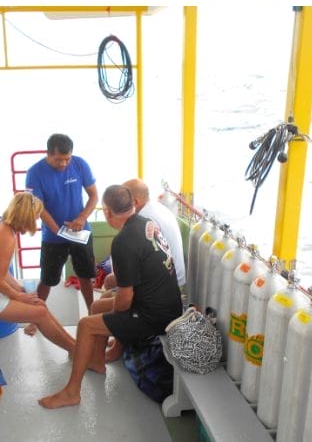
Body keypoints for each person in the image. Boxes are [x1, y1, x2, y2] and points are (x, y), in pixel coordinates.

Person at [39, 185, 182, 409]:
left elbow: (124, 300)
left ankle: (72, 392)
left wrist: (114, 324)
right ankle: (96, 361)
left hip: (156, 316)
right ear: (133, 205)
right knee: (96, 307)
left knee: (86, 324)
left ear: (106, 212)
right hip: (169, 303)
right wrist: (109, 316)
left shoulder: (123, 242)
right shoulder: (146, 223)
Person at [25, 133, 98, 314]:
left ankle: (91, 312)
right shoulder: (34, 173)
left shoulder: (80, 164)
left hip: (81, 232)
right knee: (47, 279)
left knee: (85, 276)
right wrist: (58, 230)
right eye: (58, 160)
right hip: (52, 236)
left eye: (67, 159)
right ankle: (35, 318)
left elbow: (94, 195)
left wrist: (81, 218)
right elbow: (38, 208)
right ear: (48, 153)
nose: (64, 164)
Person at [0, 193, 75, 355]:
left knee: (39, 304)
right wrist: (17, 296)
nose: (36, 222)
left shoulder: (5, 228)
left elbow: (3, 272)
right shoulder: (5, 235)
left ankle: (75, 347)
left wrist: (19, 288)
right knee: (39, 313)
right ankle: (76, 350)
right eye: (35, 217)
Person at [122, 180, 185, 288]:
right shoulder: (156, 207)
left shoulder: (145, 218)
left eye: (123, 200)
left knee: (112, 281)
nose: (120, 204)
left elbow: (142, 261)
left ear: (135, 202)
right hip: (176, 276)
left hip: (168, 282)